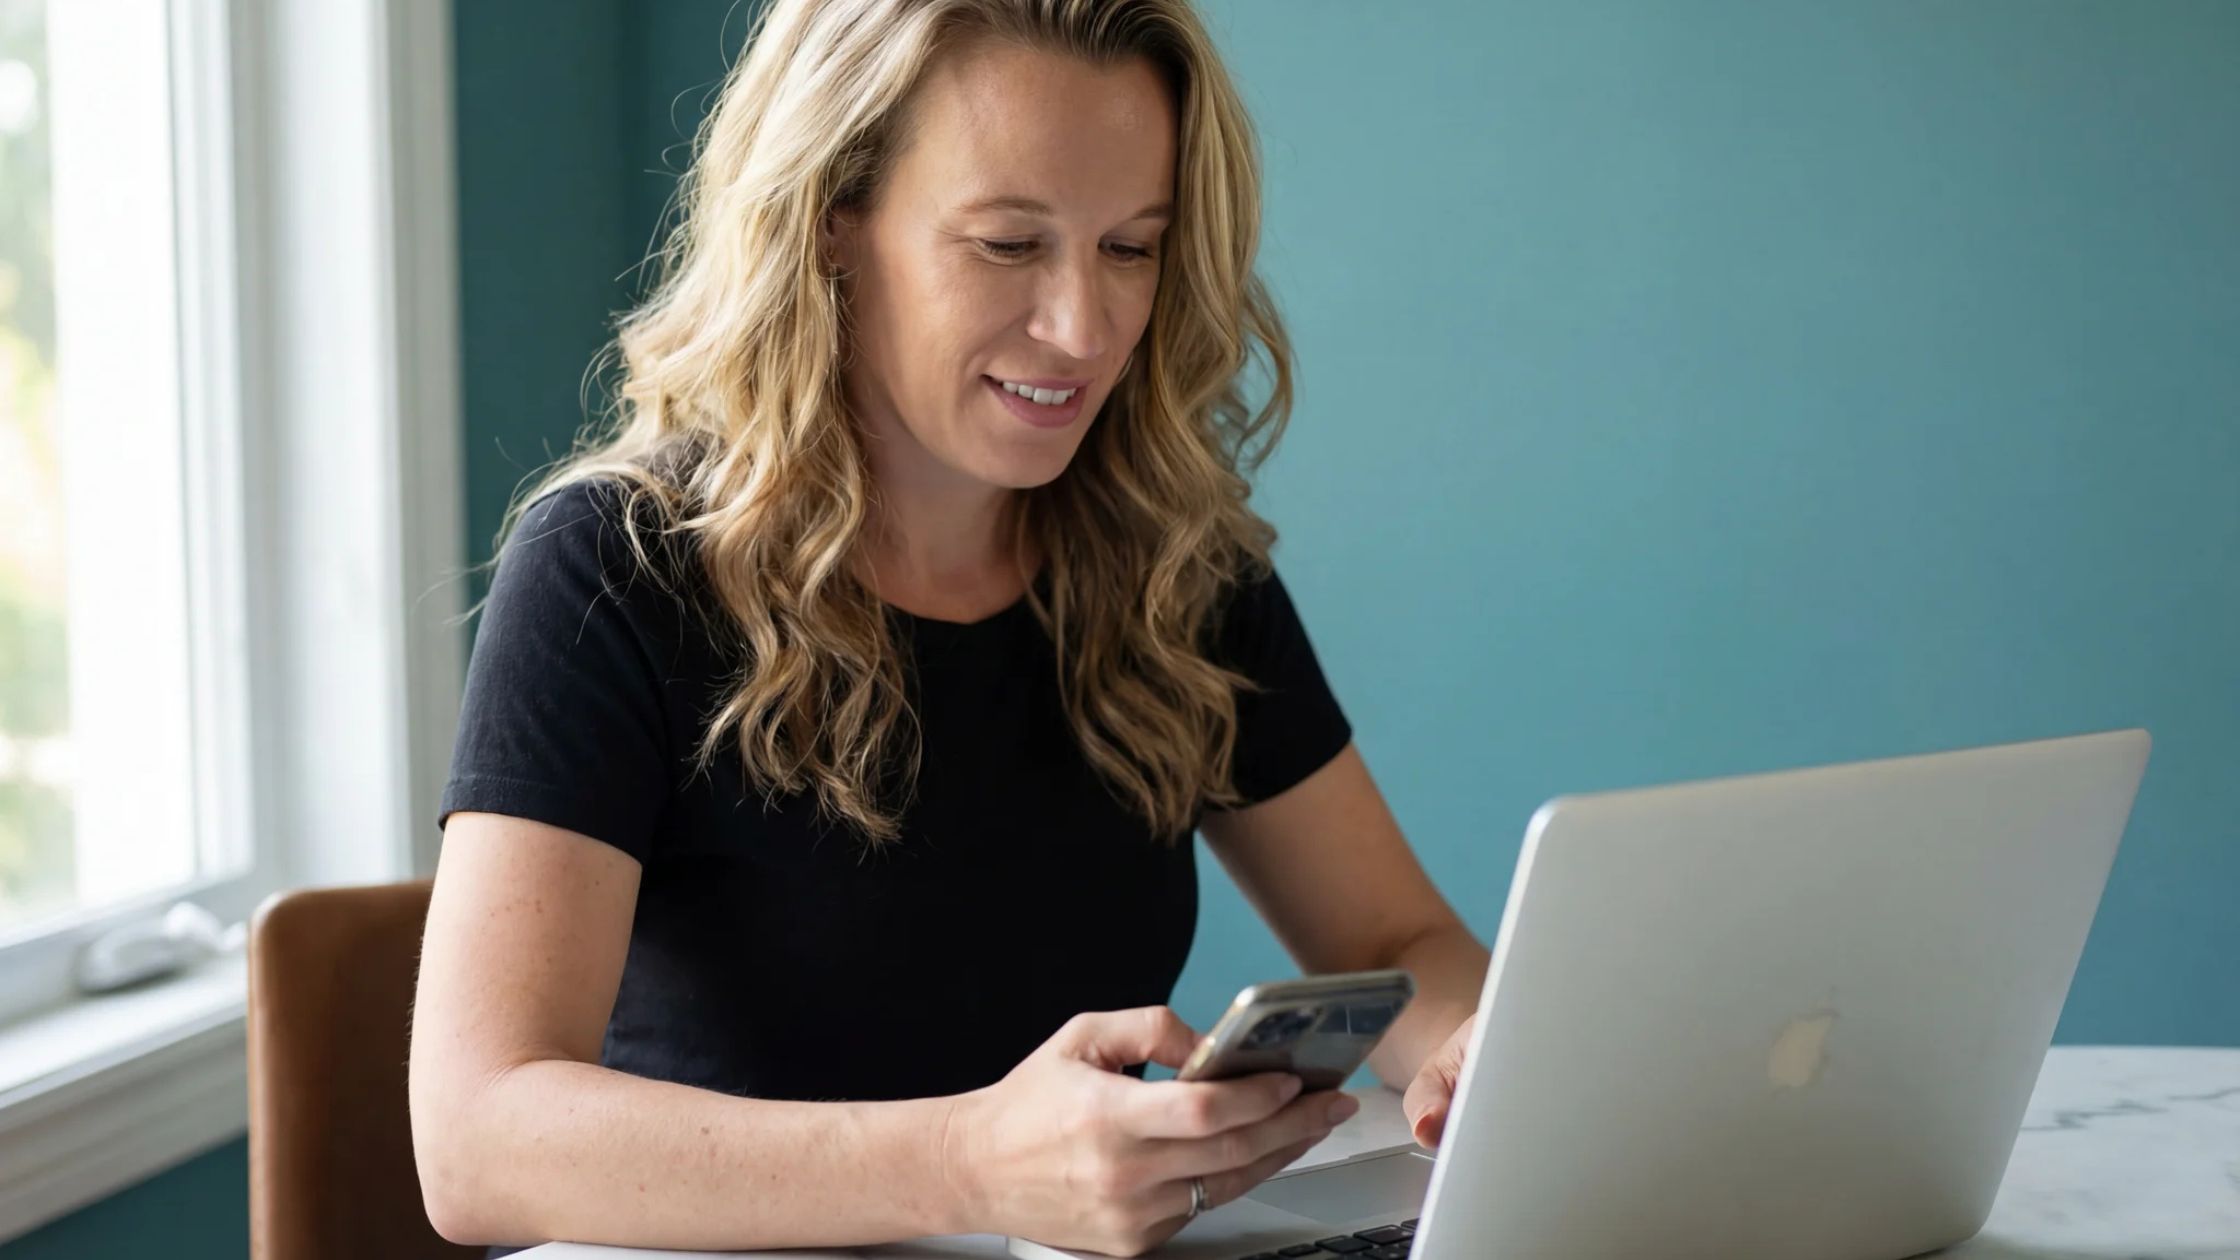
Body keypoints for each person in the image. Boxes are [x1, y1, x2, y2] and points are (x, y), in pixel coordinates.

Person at [407, 1, 1490, 1256]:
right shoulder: (614, 566)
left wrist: (1474, 1051)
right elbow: (476, 1138)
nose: (1083, 328)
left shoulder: (1169, 568)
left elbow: (1391, 943)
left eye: (1130, 249)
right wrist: (969, 1164)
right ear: (829, 224)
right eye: (1006, 244)